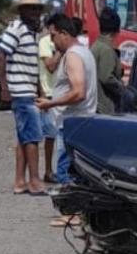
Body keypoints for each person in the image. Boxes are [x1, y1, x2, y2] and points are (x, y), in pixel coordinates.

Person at [36, 14, 97, 227]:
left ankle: (72, 213)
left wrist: (50, 104)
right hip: (79, 121)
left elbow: (78, 92)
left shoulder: (72, 55)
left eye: (53, 36)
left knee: (65, 169)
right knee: (75, 169)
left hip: (72, 122)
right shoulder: (83, 52)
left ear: (63, 33)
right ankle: (78, 212)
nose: (52, 41)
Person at [0, 0, 48, 195]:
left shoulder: (32, 32)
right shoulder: (16, 29)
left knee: (24, 139)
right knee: (33, 138)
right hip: (20, 91)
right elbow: (0, 56)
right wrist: (4, 86)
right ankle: (35, 181)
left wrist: (39, 88)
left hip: (28, 90)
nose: (35, 12)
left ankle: (20, 181)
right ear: (22, 10)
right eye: (31, 8)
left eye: (37, 8)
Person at [90, 8, 124, 114]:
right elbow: (106, 77)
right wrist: (122, 89)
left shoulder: (95, 46)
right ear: (116, 30)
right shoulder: (107, 50)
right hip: (105, 106)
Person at [38, 20, 60, 181]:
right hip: (48, 93)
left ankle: (55, 170)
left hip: (61, 94)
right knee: (49, 136)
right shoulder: (45, 43)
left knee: (58, 136)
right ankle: (48, 170)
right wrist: (60, 51)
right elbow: (50, 66)